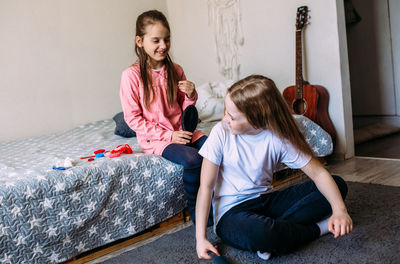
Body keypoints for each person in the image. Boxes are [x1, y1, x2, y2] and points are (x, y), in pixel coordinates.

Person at [195, 75, 353, 260]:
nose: (225, 119)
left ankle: (276, 234)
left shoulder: (277, 138)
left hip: (266, 201)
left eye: (232, 116)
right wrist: (201, 239)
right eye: (226, 112)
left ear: (257, 119)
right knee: (262, 233)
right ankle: (318, 228)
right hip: (231, 213)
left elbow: (318, 173)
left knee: (337, 185)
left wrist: (340, 211)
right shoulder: (220, 132)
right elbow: (206, 187)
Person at [120, 10, 210, 224]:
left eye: (167, 39)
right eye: (156, 40)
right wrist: (169, 135)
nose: (163, 45)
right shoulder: (131, 76)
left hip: (183, 130)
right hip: (158, 138)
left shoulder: (176, 70)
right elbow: (133, 119)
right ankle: (198, 213)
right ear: (140, 41)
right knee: (193, 159)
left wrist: (190, 95)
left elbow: (185, 109)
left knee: (215, 149)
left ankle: (221, 202)